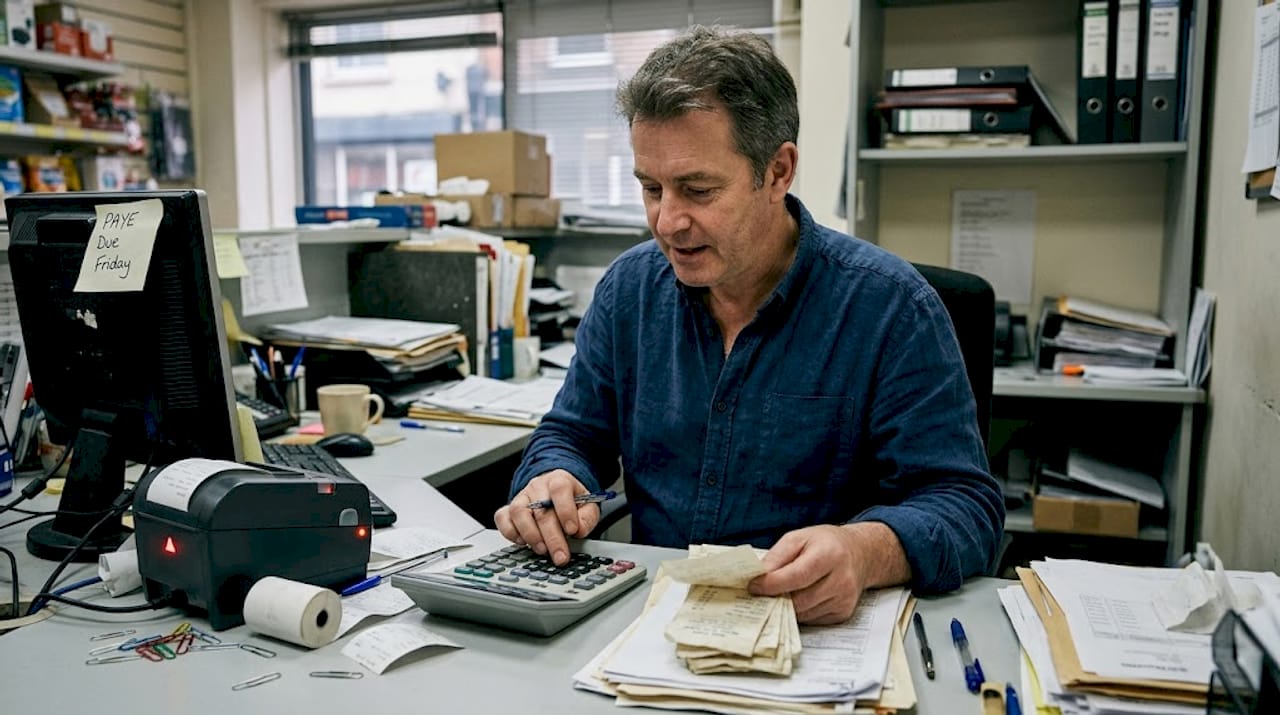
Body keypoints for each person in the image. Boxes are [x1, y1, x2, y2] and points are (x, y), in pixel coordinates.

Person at [494, 25, 1004, 624]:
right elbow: (573, 434)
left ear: (778, 171)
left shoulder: (891, 308)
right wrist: (554, 477)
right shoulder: (629, 292)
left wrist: (865, 552)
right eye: (651, 188)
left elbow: (965, 505)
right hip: (655, 623)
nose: (667, 221)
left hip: (816, 630)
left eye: (698, 190)